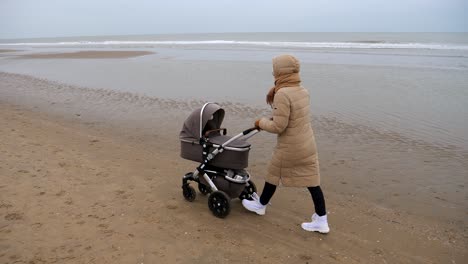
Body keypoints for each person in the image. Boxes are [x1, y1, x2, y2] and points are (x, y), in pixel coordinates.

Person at [242, 54, 330, 233]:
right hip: (307, 142)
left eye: (274, 69)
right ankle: (322, 219)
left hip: (291, 145)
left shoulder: (282, 94)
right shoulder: (302, 90)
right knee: (312, 181)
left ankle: (260, 205)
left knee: (273, 174)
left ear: (280, 71)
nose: (273, 72)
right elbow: (293, 116)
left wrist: (260, 123)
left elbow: (278, 127)